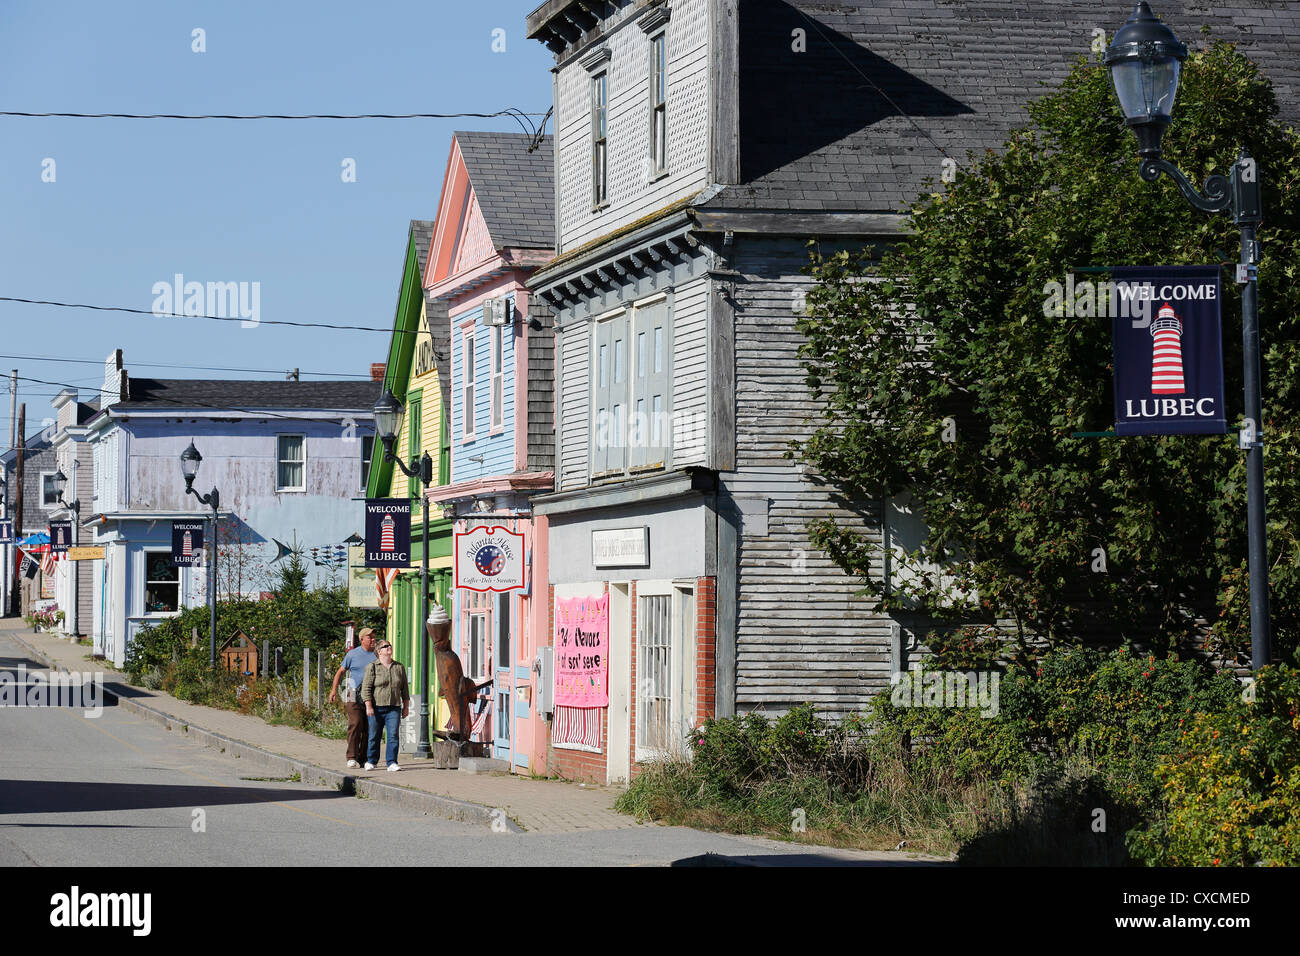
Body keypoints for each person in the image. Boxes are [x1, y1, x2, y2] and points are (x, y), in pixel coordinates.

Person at [328, 627, 377, 770]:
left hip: (372, 696)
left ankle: (364, 759)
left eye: (374, 637)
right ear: (362, 639)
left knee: (369, 728)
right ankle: (351, 757)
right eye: (370, 637)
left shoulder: (377, 654)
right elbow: (340, 672)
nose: (373, 640)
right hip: (354, 694)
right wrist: (333, 690)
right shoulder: (353, 654)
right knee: (355, 724)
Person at [361, 639, 409, 771]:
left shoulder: (399, 667)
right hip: (376, 708)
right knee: (374, 735)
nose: (389, 647)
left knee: (393, 735)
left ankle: (392, 762)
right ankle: (371, 760)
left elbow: (404, 689)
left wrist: (406, 706)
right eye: (385, 646)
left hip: (394, 707)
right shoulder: (372, 667)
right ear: (379, 651)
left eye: (389, 645)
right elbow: (366, 688)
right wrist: (368, 706)